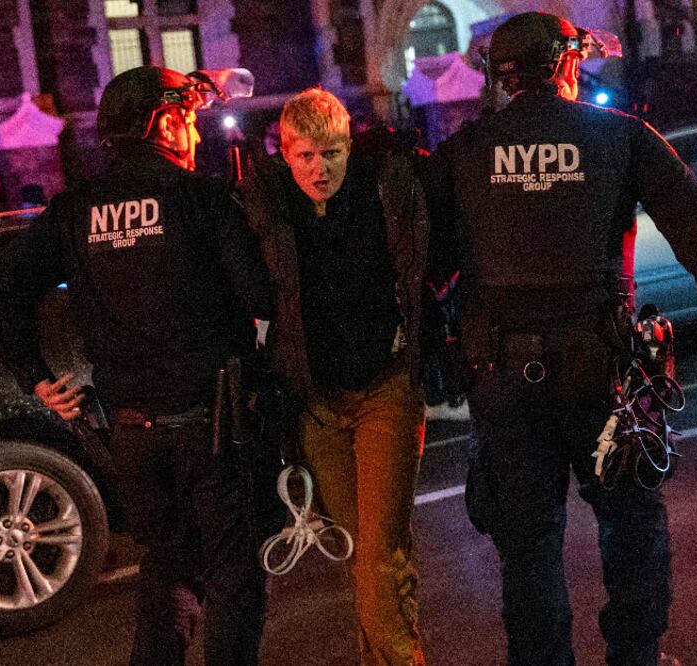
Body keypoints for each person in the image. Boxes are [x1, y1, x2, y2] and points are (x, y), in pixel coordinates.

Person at [426, 12, 697, 666]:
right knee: (630, 527)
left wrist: (434, 347)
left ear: (501, 75)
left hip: (501, 379)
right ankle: (635, 655)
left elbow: (426, 265)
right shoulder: (619, 136)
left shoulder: (463, 153)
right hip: (601, 372)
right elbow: (694, 219)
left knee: (528, 547)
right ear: (564, 64)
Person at [0, 65, 273, 666]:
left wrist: (35, 377)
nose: (193, 132)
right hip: (210, 427)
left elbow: (7, 287)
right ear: (164, 125)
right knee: (232, 577)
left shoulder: (73, 211)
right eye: (187, 119)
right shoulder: (198, 199)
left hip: (130, 435)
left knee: (167, 566)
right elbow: (260, 297)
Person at [237, 88, 430, 666]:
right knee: (362, 552)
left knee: (378, 550)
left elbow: (426, 258)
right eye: (305, 156)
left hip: (386, 387)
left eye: (331, 154)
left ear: (349, 148)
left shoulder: (381, 189)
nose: (319, 169)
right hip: (317, 401)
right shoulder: (268, 204)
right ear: (285, 154)